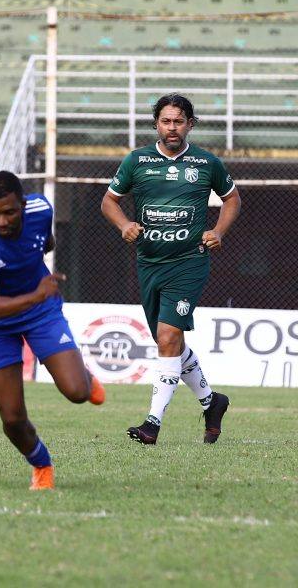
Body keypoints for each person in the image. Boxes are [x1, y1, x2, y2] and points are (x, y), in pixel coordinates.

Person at [101, 92, 241, 445]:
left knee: (166, 337)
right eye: (166, 121)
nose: (172, 127)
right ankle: (212, 402)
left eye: (179, 120)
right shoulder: (137, 161)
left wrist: (218, 232)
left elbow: (232, 199)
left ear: (190, 124)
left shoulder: (207, 163)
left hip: (189, 262)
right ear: (156, 124)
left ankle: (152, 423)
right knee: (171, 343)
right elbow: (109, 201)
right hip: (149, 263)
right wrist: (123, 225)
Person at [0, 170, 105, 491]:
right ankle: (41, 465)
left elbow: (46, 241)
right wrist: (37, 293)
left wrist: (38, 291)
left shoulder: (41, 209)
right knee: (12, 419)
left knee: (78, 393)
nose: (1, 221)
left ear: (23, 204)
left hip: (39, 312)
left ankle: (85, 376)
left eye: (9, 212)